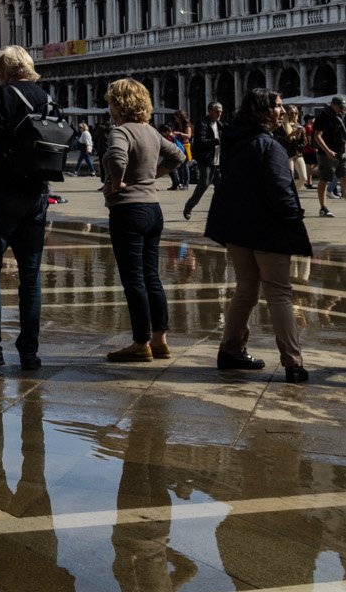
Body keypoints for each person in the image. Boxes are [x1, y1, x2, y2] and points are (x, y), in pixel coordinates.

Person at [0, 46, 60, 373]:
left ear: (4, 69)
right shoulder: (44, 96)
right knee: (30, 276)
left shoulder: (1, 95)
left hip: (2, 191)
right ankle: (29, 352)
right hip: (36, 194)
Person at [205, 87, 310, 382]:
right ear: (263, 110)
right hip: (267, 230)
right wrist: (293, 220)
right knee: (279, 292)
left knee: (245, 289)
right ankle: (293, 362)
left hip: (238, 229)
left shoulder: (235, 140)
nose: (282, 110)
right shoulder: (269, 146)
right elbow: (281, 190)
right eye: (277, 105)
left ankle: (230, 351)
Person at [102, 79, 185, 362]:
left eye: (111, 101)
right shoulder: (150, 131)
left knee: (133, 278)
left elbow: (116, 158)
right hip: (153, 210)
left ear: (119, 104)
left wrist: (117, 182)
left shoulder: (121, 131)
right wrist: (152, 177)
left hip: (128, 211)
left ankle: (140, 342)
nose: (109, 107)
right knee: (152, 276)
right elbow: (178, 156)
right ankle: (160, 339)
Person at [183, 103, 223, 219]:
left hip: (218, 160)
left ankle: (219, 212)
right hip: (206, 160)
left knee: (221, 187)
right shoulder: (202, 123)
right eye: (217, 111)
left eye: (221, 111)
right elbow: (200, 141)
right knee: (203, 185)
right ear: (210, 111)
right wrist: (215, 141)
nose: (219, 114)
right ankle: (189, 206)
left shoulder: (219, 124)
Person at [312, 97, 346, 218]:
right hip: (326, 154)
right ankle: (323, 208)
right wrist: (327, 151)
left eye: (343, 107)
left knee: (344, 178)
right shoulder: (323, 117)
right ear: (333, 105)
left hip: (341, 153)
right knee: (324, 179)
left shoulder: (339, 116)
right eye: (340, 107)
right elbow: (317, 136)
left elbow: (342, 135)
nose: (343, 109)